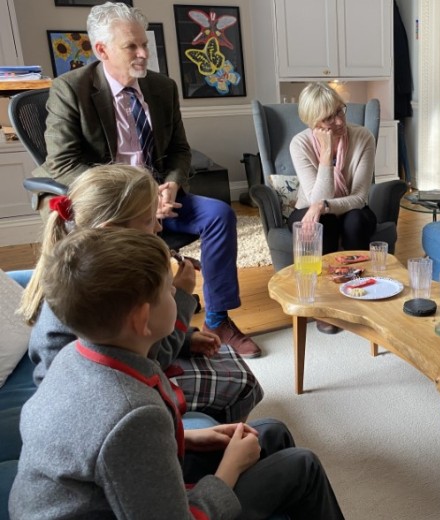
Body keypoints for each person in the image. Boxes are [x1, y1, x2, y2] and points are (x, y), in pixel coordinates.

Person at [10, 227, 344, 519]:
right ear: (142, 320)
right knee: (303, 467)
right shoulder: (132, 415)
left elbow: (110, 456)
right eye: (169, 291)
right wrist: (228, 469)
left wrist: (188, 437)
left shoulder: (78, 354)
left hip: (108, 499)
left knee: (269, 432)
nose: (179, 295)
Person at [32, 2, 260, 358]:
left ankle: (217, 319)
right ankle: (131, 333)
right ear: (102, 50)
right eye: (131, 47)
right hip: (111, 203)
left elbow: (180, 151)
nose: (142, 54)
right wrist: (133, 195)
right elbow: (62, 162)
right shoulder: (70, 89)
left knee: (219, 215)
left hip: (159, 197)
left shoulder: (161, 88)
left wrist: (170, 184)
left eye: (145, 45)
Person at [19, 165, 262, 423]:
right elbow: (150, 354)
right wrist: (181, 295)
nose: (159, 227)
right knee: (243, 383)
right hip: (102, 398)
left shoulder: (96, 262)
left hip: (118, 368)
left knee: (228, 358)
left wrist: (187, 339)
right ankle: (217, 451)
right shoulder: (104, 283)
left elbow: (136, 339)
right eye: (150, 220)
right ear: (112, 229)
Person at [289, 82, 378, 334]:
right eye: (329, 118)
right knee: (320, 223)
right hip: (311, 211)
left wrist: (324, 205)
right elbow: (313, 198)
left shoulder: (363, 137)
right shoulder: (299, 144)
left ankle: (357, 292)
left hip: (350, 208)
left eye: (340, 111)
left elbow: (359, 196)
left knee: (355, 220)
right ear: (312, 122)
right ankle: (325, 304)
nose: (339, 122)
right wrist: (326, 156)